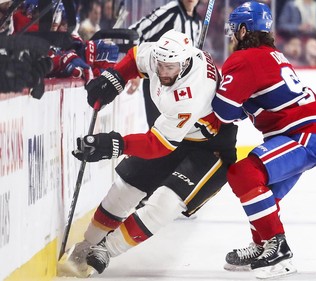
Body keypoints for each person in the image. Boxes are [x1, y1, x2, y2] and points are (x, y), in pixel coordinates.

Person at [57, 30, 237, 277]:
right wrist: (115, 77)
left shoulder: (191, 94)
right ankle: (86, 245)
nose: (163, 73)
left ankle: (106, 250)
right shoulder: (158, 56)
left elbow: (158, 145)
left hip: (211, 148)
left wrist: (114, 144)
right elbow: (134, 57)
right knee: (124, 188)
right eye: (161, 66)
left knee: (164, 203)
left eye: (170, 68)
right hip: (177, 135)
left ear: (184, 64)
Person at [212, 1, 316, 279]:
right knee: (265, 192)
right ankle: (261, 245)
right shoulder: (268, 54)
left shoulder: (245, 59)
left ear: (244, 30)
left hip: (304, 134)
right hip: (309, 133)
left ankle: (278, 249)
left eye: (235, 29)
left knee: (243, 173)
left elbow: (224, 111)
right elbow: (244, 110)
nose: (232, 35)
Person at [126, 0, 202, 129]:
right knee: (159, 132)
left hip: (182, 86)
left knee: (179, 134)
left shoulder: (197, 22)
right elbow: (135, 32)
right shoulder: (170, 12)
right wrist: (134, 67)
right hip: (158, 83)